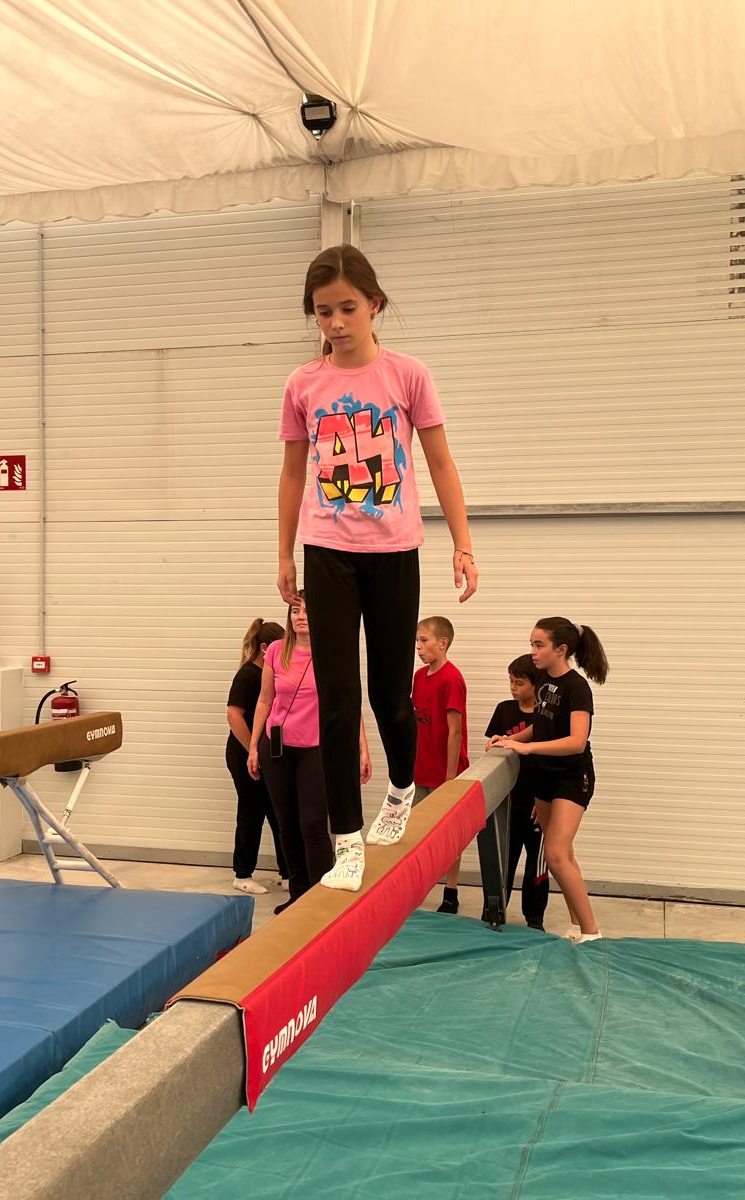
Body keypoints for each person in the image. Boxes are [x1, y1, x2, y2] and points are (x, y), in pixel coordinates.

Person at [276, 245, 478, 893]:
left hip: (394, 552)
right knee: (337, 700)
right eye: (323, 312)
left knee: (390, 695)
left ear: (375, 305)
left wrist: (463, 544)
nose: (336, 323)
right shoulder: (304, 384)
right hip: (326, 550)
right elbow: (292, 473)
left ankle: (399, 788)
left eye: (348, 308)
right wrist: (283, 553)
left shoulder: (407, 375)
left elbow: (440, 462)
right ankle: (346, 841)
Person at [247, 593, 371, 911]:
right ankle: (298, 894)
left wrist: (362, 748)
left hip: (316, 748)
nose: (300, 616)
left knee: (313, 824)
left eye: (307, 610)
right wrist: (253, 746)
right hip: (278, 747)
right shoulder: (277, 651)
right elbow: (264, 700)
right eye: (294, 610)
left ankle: (320, 899)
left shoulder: (333, 651)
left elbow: (349, 704)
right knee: (286, 824)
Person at [488, 618, 608, 943]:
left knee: (554, 854)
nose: (533, 651)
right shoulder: (542, 679)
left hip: (572, 776)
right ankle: (576, 924)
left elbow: (576, 741)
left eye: (539, 645)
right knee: (563, 854)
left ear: (561, 649)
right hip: (544, 774)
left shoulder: (576, 687)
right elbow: (540, 725)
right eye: (531, 643)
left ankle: (592, 933)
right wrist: (510, 739)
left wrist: (527, 748)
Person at [226, 618, 290, 894]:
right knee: (251, 812)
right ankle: (242, 874)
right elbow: (234, 716)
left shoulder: (271, 675)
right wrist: (251, 749)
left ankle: (288, 872)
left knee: (278, 812)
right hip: (243, 753)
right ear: (265, 648)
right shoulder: (248, 675)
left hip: (266, 753)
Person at [486, 655, 548, 930]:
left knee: (537, 866)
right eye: (510, 681)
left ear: (536, 685)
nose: (513, 687)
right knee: (504, 862)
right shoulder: (504, 710)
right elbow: (494, 754)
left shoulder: (545, 717)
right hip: (510, 801)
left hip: (538, 804)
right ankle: (495, 913)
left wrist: (544, 799)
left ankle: (534, 919)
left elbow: (551, 760)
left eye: (519, 683)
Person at [411, 616, 468, 914]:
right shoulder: (420, 677)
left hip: (445, 771)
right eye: (417, 641)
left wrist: (450, 776)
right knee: (415, 830)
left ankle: (451, 890)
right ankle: (417, 886)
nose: (418, 647)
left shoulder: (452, 679)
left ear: (442, 643)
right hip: (420, 767)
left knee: (448, 835)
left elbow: (455, 730)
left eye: (424, 641)